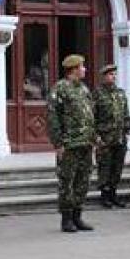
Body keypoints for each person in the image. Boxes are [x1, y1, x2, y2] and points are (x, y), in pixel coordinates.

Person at [49, 54, 96, 233]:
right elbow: (53, 118)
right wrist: (58, 143)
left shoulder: (84, 89)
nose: (85, 69)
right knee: (67, 182)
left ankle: (78, 216)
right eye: (82, 67)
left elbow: (90, 115)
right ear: (74, 69)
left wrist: (94, 137)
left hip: (85, 143)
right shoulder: (60, 88)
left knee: (82, 181)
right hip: (69, 144)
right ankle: (66, 219)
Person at [92, 64, 130, 209]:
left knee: (117, 167)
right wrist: (96, 137)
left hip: (119, 137)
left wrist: (127, 130)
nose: (113, 77)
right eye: (110, 74)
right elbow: (92, 117)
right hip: (105, 138)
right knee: (105, 167)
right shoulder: (97, 94)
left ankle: (114, 193)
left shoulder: (120, 93)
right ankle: (105, 195)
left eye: (114, 74)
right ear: (104, 77)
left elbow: (126, 113)